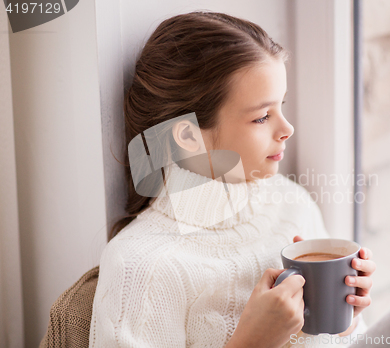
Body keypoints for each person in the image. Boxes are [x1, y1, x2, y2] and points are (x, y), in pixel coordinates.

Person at [89, 11, 374, 348]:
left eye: (281, 106)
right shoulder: (141, 266)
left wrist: (344, 321)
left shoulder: (292, 203)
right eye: (262, 117)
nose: (287, 129)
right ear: (188, 136)